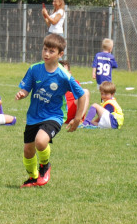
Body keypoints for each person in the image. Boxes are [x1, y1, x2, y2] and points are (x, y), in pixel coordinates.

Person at [15, 33, 90, 188]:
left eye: (51, 51)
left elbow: (81, 95)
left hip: (54, 115)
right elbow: (26, 88)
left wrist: (77, 119)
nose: (46, 54)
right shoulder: (34, 69)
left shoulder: (64, 76)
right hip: (33, 116)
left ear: (60, 54)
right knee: (28, 151)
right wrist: (22, 93)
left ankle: (45, 165)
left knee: (41, 141)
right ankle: (32, 177)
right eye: (45, 50)